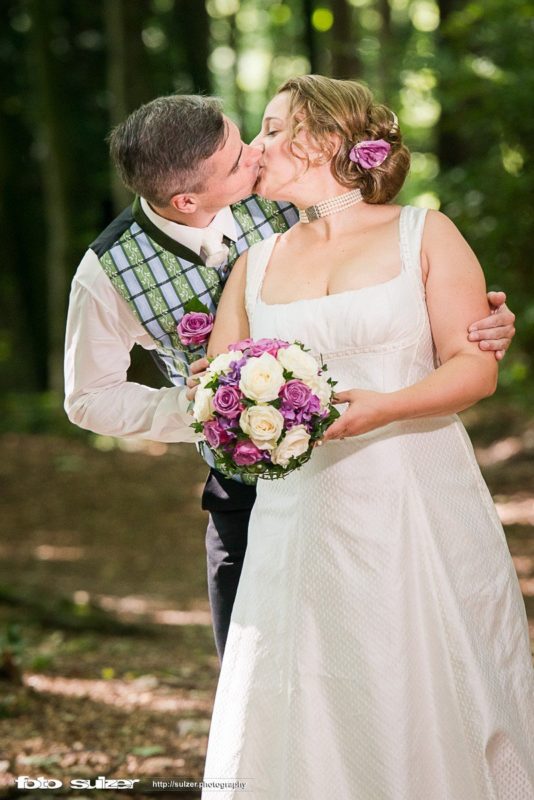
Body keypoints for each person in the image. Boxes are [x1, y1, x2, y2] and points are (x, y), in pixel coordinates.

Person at [64, 94, 515, 664]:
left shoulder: (287, 191)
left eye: (248, 135)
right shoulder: (107, 273)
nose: (255, 153)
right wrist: (215, 410)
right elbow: (89, 398)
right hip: (247, 488)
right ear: (186, 198)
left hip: (391, 466)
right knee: (266, 665)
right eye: (235, 162)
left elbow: (396, 279)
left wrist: (481, 322)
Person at [201, 76, 534, 799]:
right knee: (308, 679)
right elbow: (216, 392)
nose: (255, 147)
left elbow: (475, 371)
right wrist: (234, 413)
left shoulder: (425, 232)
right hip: (300, 513)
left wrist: (383, 408)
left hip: (416, 492)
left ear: (322, 140)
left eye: (270, 127)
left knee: (422, 667)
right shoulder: (252, 264)